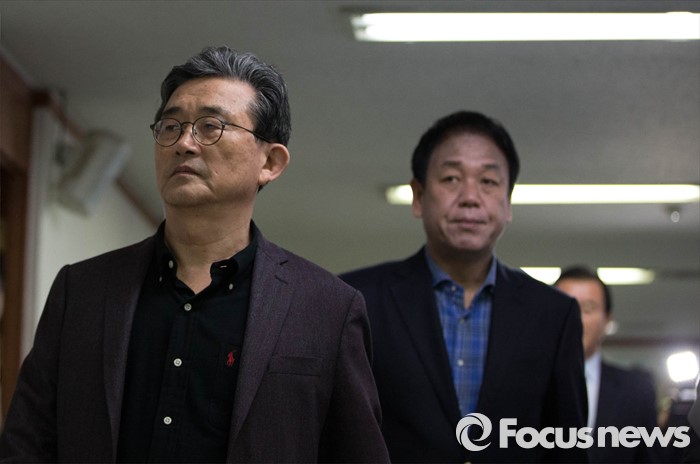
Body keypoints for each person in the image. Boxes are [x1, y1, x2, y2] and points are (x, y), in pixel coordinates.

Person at [0, 46, 389, 463]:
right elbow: (26, 446)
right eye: (171, 126)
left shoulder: (326, 308)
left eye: (210, 126)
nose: (184, 143)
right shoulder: (83, 290)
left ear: (270, 162)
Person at [341, 110, 588, 463]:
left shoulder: (553, 314)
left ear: (508, 203)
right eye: (451, 178)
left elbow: (567, 448)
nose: (470, 197)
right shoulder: (356, 300)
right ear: (418, 196)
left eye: (488, 181)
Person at [555, 265, 658, 463]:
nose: (575, 319)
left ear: (607, 319)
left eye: (588, 309)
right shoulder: (525, 384)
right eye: (565, 307)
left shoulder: (637, 391)